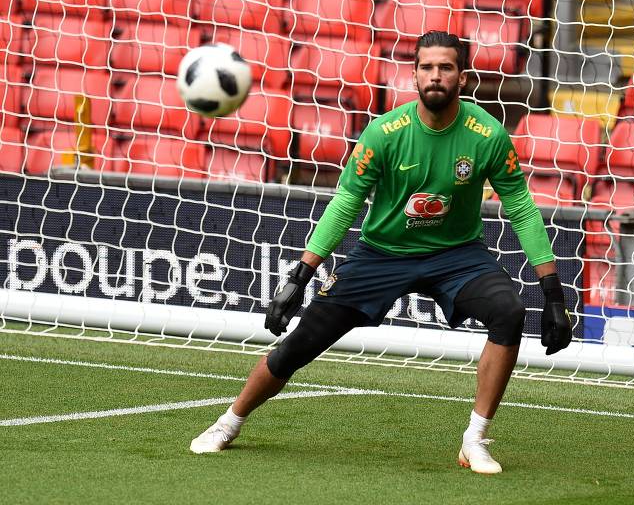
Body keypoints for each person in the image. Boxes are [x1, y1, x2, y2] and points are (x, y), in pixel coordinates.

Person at [190, 31, 572, 474]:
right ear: (413, 77)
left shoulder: (487, 136)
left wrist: (553, 293)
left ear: (463, 78)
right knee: (300, 344)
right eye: (427, 67)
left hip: (457, 255)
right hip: (383, 253)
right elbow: (346, 203)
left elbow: (522, 210)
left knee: (507, 312)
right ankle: (228, 422)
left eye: (445, 68)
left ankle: (475, 439)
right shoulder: (384, 134)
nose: (435, 76)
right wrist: (300, 275)